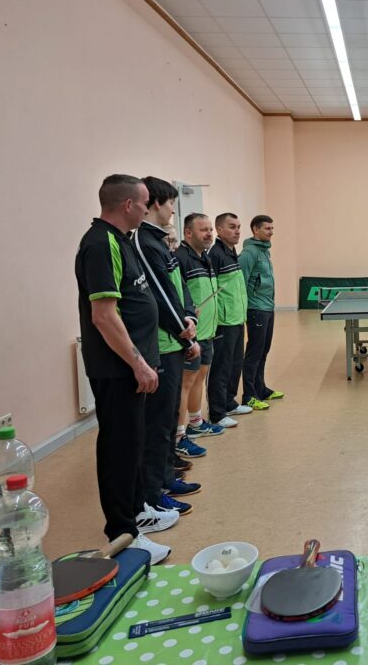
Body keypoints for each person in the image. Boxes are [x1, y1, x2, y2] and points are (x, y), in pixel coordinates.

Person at [74, 174, 175, 565]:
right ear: (129, 204)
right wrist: (138, 363)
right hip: (117, 370)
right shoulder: (100, 244)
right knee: (119, 450)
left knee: (133, 445)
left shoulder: (121, 241)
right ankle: (123, 534)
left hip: (133, 368)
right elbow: (103, 315)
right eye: (145, 203)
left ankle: (137, 513)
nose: (148, 209)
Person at [134, 177, 202, 520]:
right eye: (171, 202)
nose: (174, 209)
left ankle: (164, 478)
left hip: (174, 340)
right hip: (161, 345)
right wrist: (185, 334)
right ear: (156, 203)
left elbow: (177, 290)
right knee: (158, 422)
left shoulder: (160, 243)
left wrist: (189, 316)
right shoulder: (144, 242)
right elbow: (159, 297)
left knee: (166, 417)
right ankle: (154, 493)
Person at [175, 213, 222, 460]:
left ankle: (196, 422)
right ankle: (179, 436)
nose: (209, 234)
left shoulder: (205, 257)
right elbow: (176, 295)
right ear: (188, 233)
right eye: (204, 230)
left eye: (210, 229)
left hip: (207, 331)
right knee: (185, 383)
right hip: (192, 334)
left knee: (200, 377)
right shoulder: (180, 258)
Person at [207, 212, 251, 427]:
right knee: (221, 367)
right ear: (220, 230)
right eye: (232, 227)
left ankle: (229, 402)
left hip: (237, 318)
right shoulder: (215, 254)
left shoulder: (232, 252)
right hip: (223, 322)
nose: (237, 231)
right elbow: (212, 289)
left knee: (235, 364)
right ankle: (217, 413)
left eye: (239, 227)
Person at [240, 215, 283, 410]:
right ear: (255, 230)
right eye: (267, 228)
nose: (271, 232)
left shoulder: (264, 251)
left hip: (267, 307)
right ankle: (249, 395)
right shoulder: (249, 253)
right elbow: (241, 283)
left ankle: (261, 389)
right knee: (254, 352)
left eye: (272, 228)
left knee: (264, 350)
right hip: (256, 308)